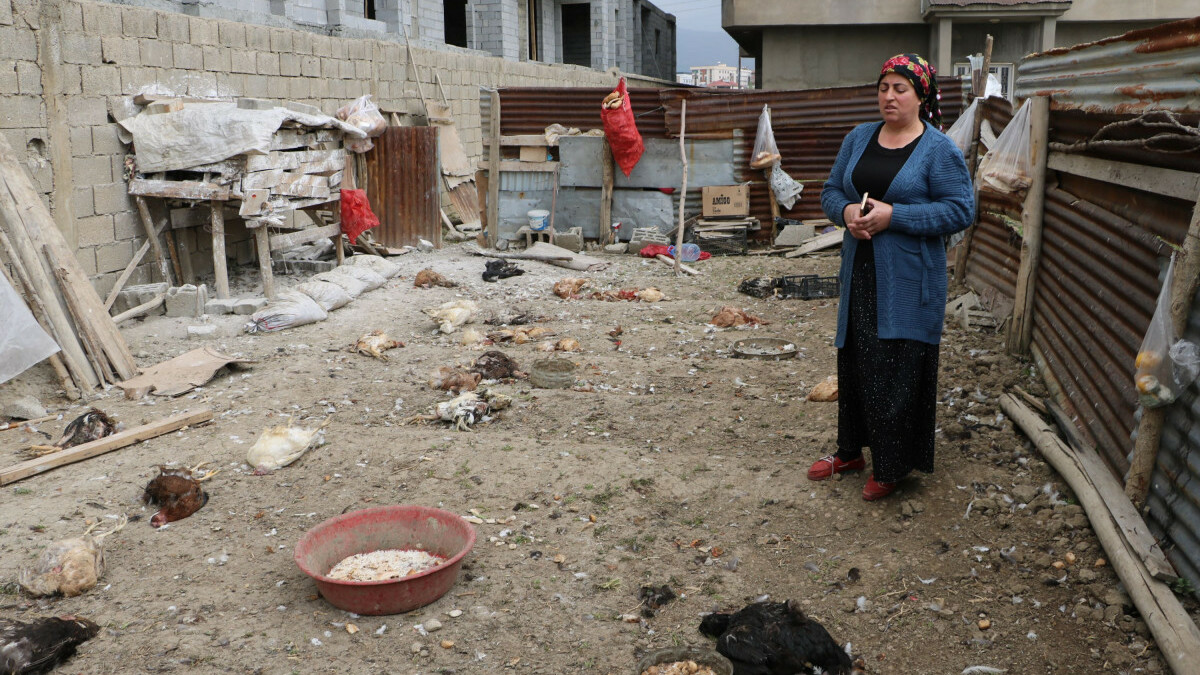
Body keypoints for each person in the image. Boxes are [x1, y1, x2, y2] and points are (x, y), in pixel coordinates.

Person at [811, 53, 974, 501]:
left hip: (909, 280)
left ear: (921, 95)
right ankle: (851, 450)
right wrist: (846, 213)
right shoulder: (859, 137)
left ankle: (893, 466)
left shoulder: (938, 150)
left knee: (896, 367)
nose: (889, 96)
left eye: (900, 88)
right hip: (861, 270)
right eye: (884, 87)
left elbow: (961, 210)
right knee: (857, 359)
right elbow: (830, 191)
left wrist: (893, 216)